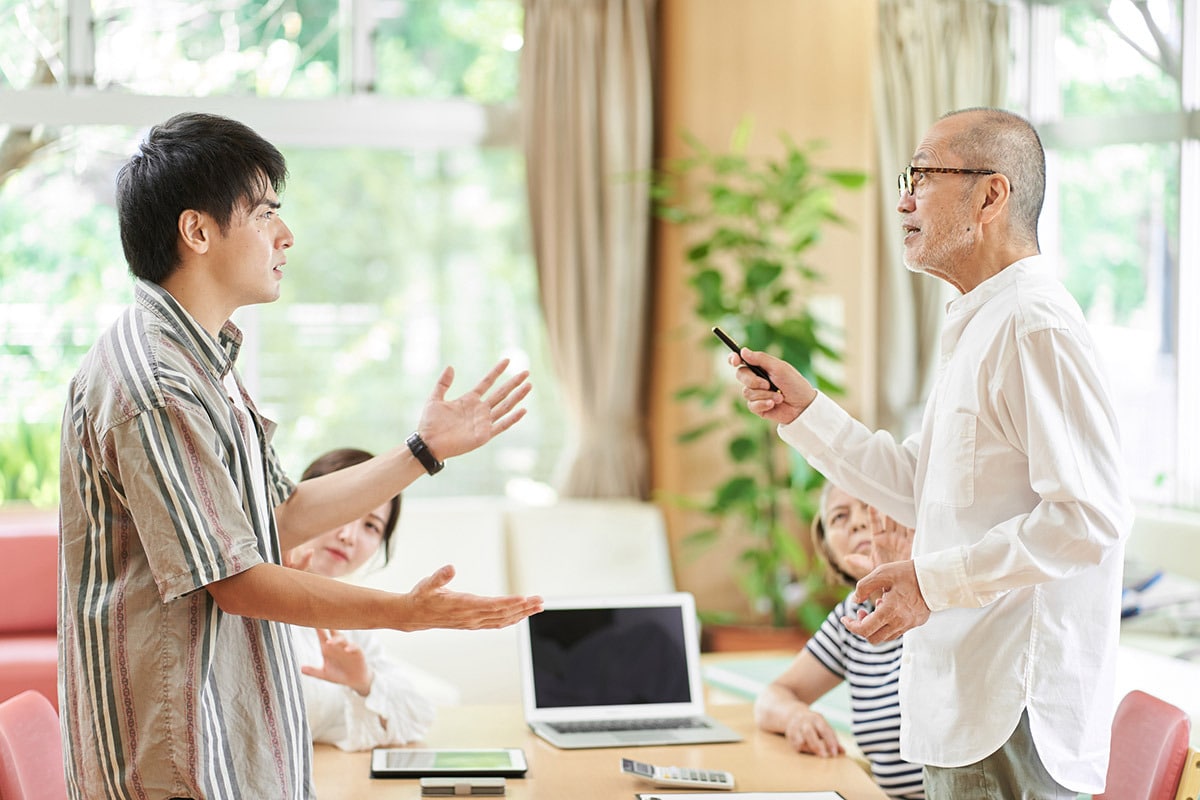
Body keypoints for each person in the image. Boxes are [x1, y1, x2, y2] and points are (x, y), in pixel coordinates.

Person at [57, 111, 543, 799]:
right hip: (176, 761)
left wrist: (422, 451)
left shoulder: (205, 361)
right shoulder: (156, 385)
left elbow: (276, 518)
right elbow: (237, 578)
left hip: (223, 744)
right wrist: (398, 611)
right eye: (264, 214)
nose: (285, 236)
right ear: (197, 231)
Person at [730, 107, 1130, 798]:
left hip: (1012, 708)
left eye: (925, 176)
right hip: (964, 704)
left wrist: (929, 583)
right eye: (906, 177)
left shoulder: (1033, 323)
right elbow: (924, 485)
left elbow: (1089, 519)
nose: (904, 198)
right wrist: (807, 413)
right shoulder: (978, 318)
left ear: (990, 195)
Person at [755, 482, 924, 800]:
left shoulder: (944, 598)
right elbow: (772, 697)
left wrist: (909, 571)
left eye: (869, 506)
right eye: (839, 517)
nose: (858, 522)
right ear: (830, 552)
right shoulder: (852, 616)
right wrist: (796, 717)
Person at [283, 447, 437, 752]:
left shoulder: (345, 619)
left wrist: (363, 682)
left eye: (371, 526)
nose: (349, 535)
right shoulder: (237, 589)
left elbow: (418, 716)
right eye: (342, 509)